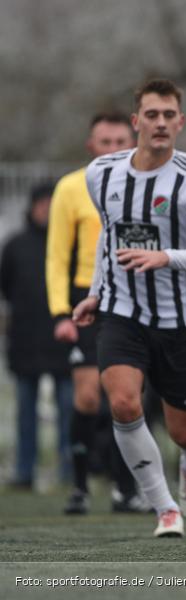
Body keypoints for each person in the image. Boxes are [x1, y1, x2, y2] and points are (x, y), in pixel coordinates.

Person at [72, 79, 186, 538]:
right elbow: (110, 235)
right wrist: (97, 292)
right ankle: (164, 508)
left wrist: (166, 257)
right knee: (122, 402)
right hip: (121, 311)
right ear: (135, 121)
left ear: (180, 123)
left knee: (184, 432)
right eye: (152, 114)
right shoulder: (101, 173)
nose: (160, 123)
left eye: (169, 115)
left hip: (177, 320)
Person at [46, 111, 144, 514]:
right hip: (86, 298)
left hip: (133, 295)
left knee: (129, 398)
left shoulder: (147, 185)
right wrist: (60, 313)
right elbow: (55, 256)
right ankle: (81, 486)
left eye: (120, 141)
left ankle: (126, 489)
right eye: (105, 143)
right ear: (92, 147)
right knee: (87, 396)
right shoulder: (71, 188)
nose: (113, 149)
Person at [1, 183, 74, 490]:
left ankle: (70, 472)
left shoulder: (69, 243)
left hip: (63, 341)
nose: (45, 210)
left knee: (69, 410)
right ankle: (24, 471)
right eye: (41, 204)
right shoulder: (15, 245)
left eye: (50, 204)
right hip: (26, 342)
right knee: (25, 414)